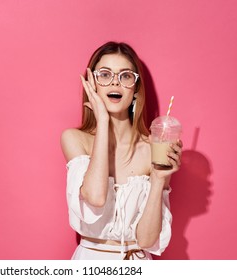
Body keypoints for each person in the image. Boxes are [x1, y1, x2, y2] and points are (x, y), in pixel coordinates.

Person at [61, 41, 183, 260]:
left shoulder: (152, 149)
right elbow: (96, 197)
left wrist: (158, 179)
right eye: (105, 74)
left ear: (136, 88)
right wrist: (104, 121)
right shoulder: (75, 139)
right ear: (93, 83)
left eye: (125, 76)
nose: (115, 82)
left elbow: (146, 240)